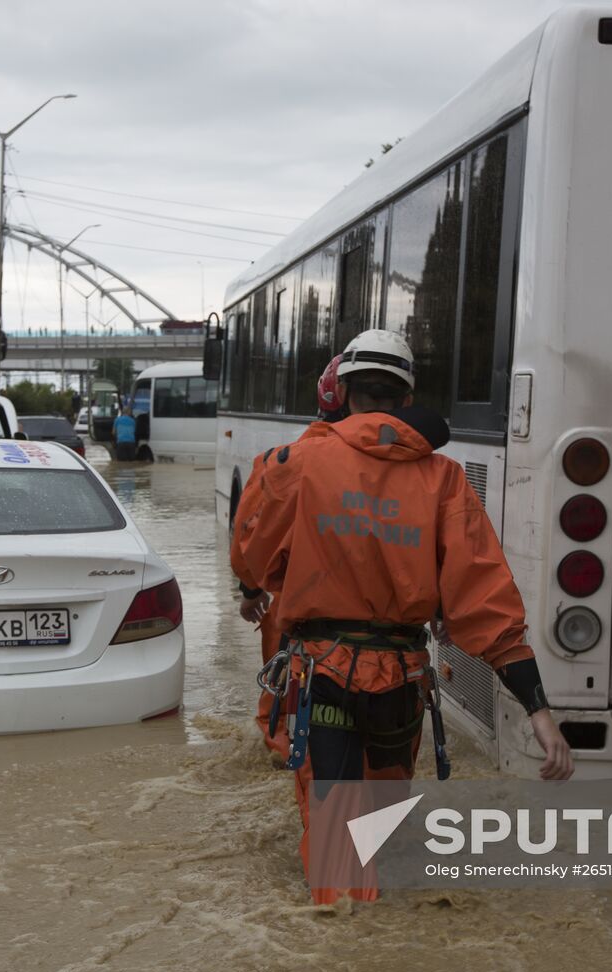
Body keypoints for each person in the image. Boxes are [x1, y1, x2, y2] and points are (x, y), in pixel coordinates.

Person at [232, 328, 573, 905]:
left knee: (337, 851)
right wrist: (537, 709)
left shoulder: (295, 462)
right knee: (380, 835)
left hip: (325, 680)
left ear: (340, 391)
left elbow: (251, 551)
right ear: (407, 398)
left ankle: (339, 947)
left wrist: (253, 589)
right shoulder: (443, 480)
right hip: (402, 687)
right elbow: (484, 600)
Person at [232, 354, 347, 756]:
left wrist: (250, 589)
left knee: (284, 701)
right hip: (378, 633)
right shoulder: (416, 471)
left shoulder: (283, 462)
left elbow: (251, 531)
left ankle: (284, 752)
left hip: (295, 611)